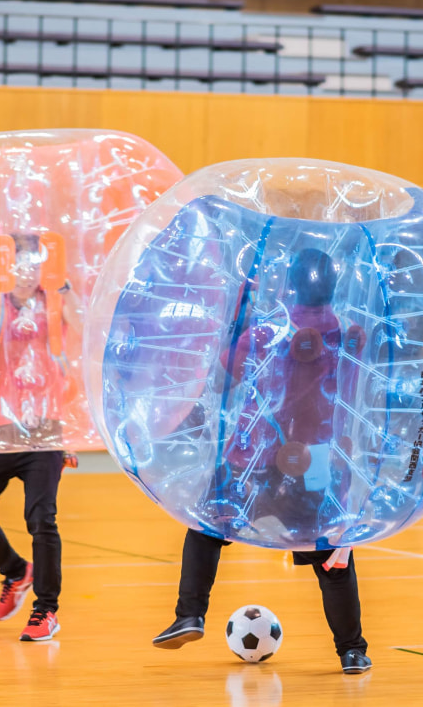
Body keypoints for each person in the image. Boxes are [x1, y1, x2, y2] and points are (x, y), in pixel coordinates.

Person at [152, 248, 371, 674]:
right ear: (334, 285)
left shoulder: (265, 331)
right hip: (316, 461)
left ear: (289, 284)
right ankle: (351, 649)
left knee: (206, 526)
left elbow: (228, 366)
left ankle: (190, 613)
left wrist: (242, 303)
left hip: (252, 455)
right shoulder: (349, 334)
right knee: (331, 558)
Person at [0, 233, 77, 642]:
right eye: (18, 268)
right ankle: (15, 571)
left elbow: (85, 332)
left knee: (41, 519)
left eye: (34, 268)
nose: (26, 276)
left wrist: (63, 289)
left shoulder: (54, 301)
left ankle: (45, 610)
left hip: (44, 427)